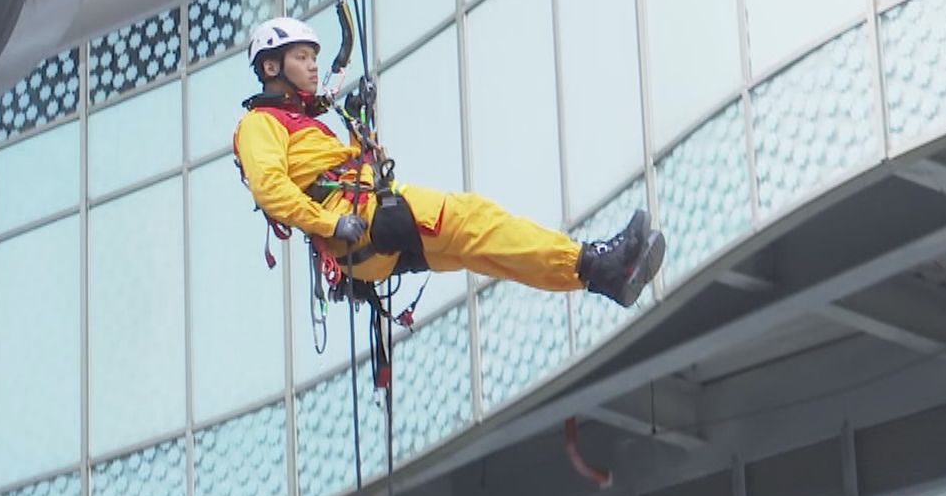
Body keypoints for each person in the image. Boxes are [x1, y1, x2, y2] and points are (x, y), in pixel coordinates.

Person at [232, 17, 665, 308]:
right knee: (472, 218)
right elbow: (271, 190)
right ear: (271, 67)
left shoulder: (303, 125)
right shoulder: (259, 123)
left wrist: (358, 127)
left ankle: (597, 275)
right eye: (301, 58)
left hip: (363, 223)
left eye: (312, 57)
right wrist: (330, 225)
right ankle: (596, 263)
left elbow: (344, 170)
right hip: (357, 223)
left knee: (480, 246)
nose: (313, 67)